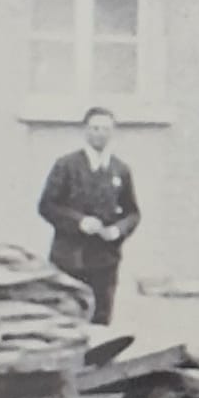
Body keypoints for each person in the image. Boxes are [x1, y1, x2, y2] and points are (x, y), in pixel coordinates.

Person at [36, 105, 140, 325]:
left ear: (112, 132)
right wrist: (79, 222)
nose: (99, 134)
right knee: (67, 317)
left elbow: (133, 213)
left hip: (105, 260)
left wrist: (118, 230)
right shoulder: (66, 165)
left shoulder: (120, 170)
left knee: (101, 318)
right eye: (94, 128)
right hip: (70, 258)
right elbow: (47, 206)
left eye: (105, 129)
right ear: (85, 130)